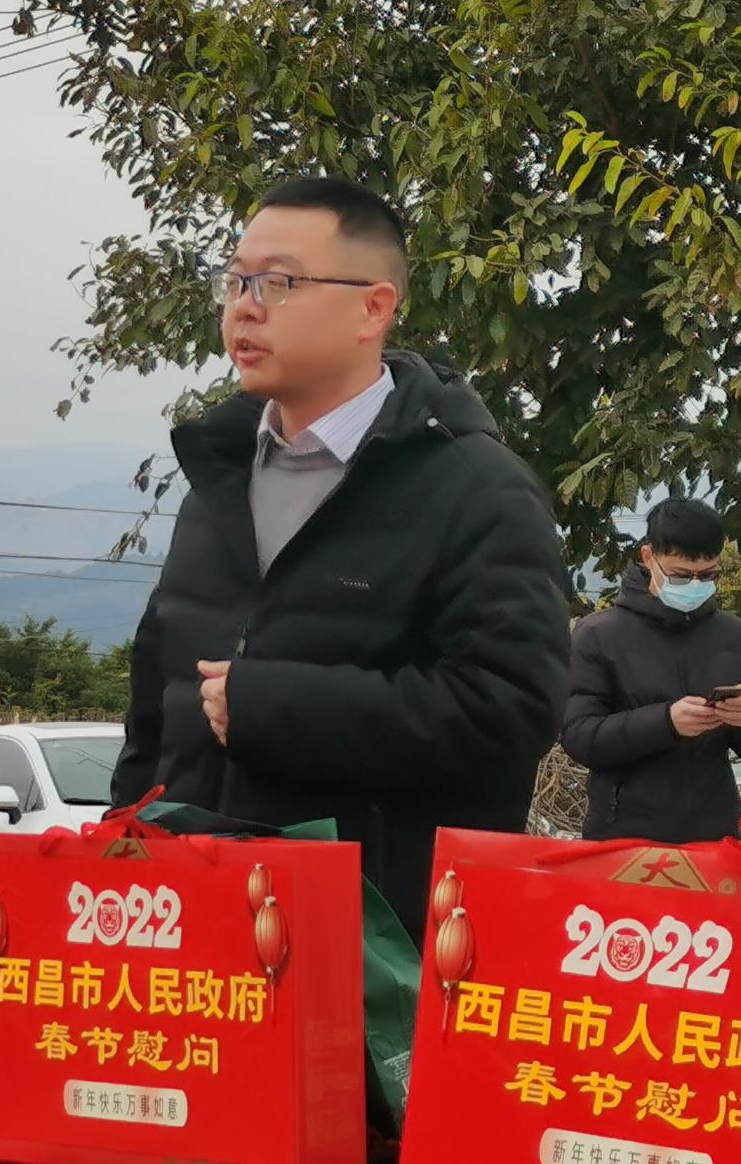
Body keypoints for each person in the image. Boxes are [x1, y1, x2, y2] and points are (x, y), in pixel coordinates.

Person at [112, 176, 571, 936]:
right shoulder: (218, 481)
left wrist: (277, 706)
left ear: (374, 308)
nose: (244, 305)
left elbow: (511, 712)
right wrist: (127, 847)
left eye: (280, 282)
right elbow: (155, 711)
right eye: (234, 280)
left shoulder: (475, 491)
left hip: (372, 961)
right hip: (197, 935)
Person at [562, 495, 741, 842]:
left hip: (714, 837)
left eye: (708, 575)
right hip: (624, 835)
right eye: (681, 576)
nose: (695, 585)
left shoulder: (734, 636)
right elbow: (578, 737)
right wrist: (665, 722)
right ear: (649, 557)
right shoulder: (598, 635)